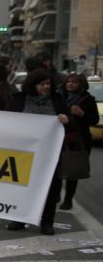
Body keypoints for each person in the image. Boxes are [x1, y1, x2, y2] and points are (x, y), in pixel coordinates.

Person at [6, 70, 69, 235]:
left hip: (51, 155)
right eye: (42, 84)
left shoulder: (57, 100)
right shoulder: (19, 99)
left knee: (51, 188)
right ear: (32, 85)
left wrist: (66, 120)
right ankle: (19, 218)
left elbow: (71, 125)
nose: (46, 87)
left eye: (48, 84)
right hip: (24, 153)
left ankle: (47, 221)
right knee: (22, 187)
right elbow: (7, 122)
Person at [59, 72, 98, 210]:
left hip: (77, 140)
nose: (70, 84)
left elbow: (94, 120)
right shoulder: (58, 96)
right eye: (68, 81)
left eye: (74, 82)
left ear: (81, 84)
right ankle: (55, 194)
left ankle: (68, 199)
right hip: (58, 138)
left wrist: (82, 114)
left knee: (73, 171)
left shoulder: (87, 99)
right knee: (55, 168)